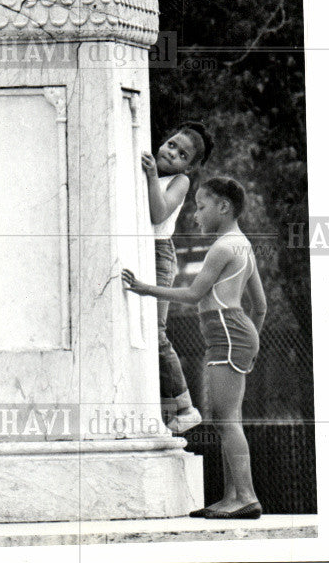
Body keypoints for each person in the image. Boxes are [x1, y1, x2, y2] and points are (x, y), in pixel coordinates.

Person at [123, 176, 267, 520]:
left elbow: (193, 294)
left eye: (201, 207)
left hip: (228, 335)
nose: (196, 215)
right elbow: (259, 306)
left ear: (224, 207)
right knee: (229, 419)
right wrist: (254, 341)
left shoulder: (223, 247)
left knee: (225, 419)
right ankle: (232, 496)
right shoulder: (242, 244)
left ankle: (246, 496)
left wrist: (146, 289)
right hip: (235, 335)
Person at [141, 122, 213, 433]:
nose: (172, 153)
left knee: (155, 332)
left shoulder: (179, 181)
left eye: (182, 154)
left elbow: (158, 214)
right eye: (171, 145)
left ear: (189, 166)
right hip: (140, 249)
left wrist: (152, 178)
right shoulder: (144, 161)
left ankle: (185, 407)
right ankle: (164, 409)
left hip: (159, 256)